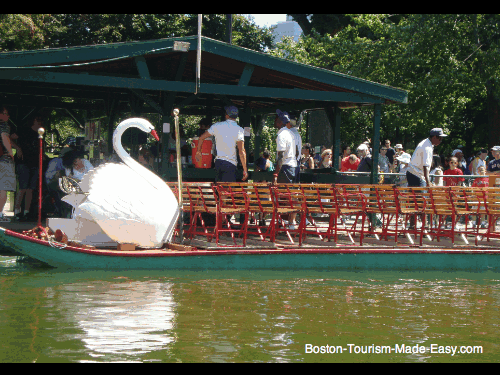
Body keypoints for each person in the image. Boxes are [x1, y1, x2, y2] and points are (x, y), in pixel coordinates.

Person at [196, 106, 247, 182]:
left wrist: (198, 151)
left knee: (218, 190)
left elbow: (201, 138)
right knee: (227, 192)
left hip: (218, 163)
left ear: (226, 115)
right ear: (236, 116)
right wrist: (245, 169)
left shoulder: (216, 126)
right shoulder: (239, 130)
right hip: (230, 164)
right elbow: (241, 152)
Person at [13, 114, 44, 221]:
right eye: (38, 119)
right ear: (33, 121)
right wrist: (17, 148)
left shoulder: (40, 134)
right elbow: (9, 137)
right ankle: (17, 211)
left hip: (35, 164)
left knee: (30, 189)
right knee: (22, 188)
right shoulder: (24, 130)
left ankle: (26, 212)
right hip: (23, 163)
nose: (40, 121)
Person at [0, 105, 15, 222]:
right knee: (3, 187)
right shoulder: (3, 124)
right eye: (6, 113)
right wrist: (10, 153)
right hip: (3, 160)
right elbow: (4, 136)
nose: (8, 116)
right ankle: (0, 214)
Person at [289, 113, 302, 182]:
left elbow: (296, 150)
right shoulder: (296, 133)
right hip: (296, 162)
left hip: (292, 162)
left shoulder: (291, 132)